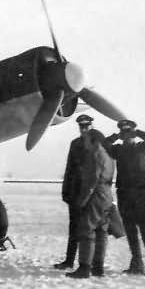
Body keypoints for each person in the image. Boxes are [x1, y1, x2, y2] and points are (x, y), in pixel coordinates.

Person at [104, 119, 145, 276]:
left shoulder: (142, 147)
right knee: (131, 232)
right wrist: (116, 136)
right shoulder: (118, 150)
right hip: (125, 193)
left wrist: (137, 133)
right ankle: (137, 266)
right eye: (124, 132)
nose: (127, 135)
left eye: (129, 132)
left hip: (141, 193)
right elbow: (104, 143)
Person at [66, 128, 115, 279]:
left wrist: (83, 200)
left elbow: (92, 180)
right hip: (106, 195)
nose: (84, 142)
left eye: (86, 139)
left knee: (87, 229)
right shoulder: (108, 155)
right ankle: (98, 268)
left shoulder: (94, 155)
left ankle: (84, 268)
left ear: (93, 141)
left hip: (95, 196)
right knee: (102, 231)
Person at [53, 114, 94, 270]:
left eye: (86, 126)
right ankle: (69, 261)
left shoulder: (97, 143)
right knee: (74, 229)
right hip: (76, 194)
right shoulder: (75, 143)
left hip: (90, 194)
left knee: (90, 230)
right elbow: (69, 168)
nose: (84, 129)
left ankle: (90, 264)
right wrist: (66, 191)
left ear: (91, 126)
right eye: (81, 126)